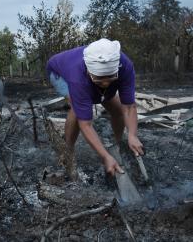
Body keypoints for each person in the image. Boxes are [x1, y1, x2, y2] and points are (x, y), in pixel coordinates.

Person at [46, 38, 144, 176]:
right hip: (58, 73)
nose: (104, 84)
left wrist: (132, 135)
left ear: (117, 70)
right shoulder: (78, 77)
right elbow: (85, 123)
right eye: (99, 79)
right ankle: (68, 152)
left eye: (109, 77)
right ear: (88, 71)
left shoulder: (125, 66)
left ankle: (118, 145)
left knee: (117, 109)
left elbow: (128, 107)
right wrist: (104, 157)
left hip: (92, 77)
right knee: (77, 109)